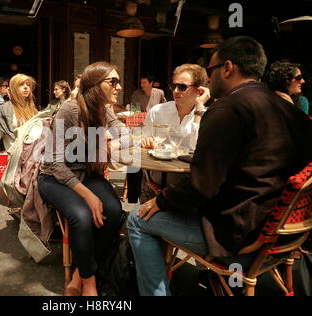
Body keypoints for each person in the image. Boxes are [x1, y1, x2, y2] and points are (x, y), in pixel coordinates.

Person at [126, 36, 312, 296]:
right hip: (285, 235)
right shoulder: (291, 111)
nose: (209, 80)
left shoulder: (227, 110)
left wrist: (160, 201)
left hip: (237, 237)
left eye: (210, 70)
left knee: (137, 218)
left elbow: (202, 186)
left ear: (227, 68)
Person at [38, 61, 130, 296]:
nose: (119, 87)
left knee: (113, 210)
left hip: (87, 175)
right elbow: (54, 163)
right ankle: (89, 282)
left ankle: (79, 273)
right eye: (113, 81)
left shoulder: (104, 109)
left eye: (118, 81)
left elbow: (125, 131)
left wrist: (112, 143)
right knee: (82, 216)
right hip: (54, 177)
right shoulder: (69, 110)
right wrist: (88, 195)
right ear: (94, 85)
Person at [138, 64, 210, 203]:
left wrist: (198, 112)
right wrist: (145, 143)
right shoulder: (157, 111)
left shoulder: (207, 116)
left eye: (182, 87)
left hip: (186, 191)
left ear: (199, 90)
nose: (176, 91)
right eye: (174, 86)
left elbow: (196, 152)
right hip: (152, 184)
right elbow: (141, 145)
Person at [0, 74, 38, 189]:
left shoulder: (32, 109)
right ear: (13, 88)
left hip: (34, 155)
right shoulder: (4, 109)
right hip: (18, 158)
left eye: (28, 85)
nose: (26, 87)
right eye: (21, 84)